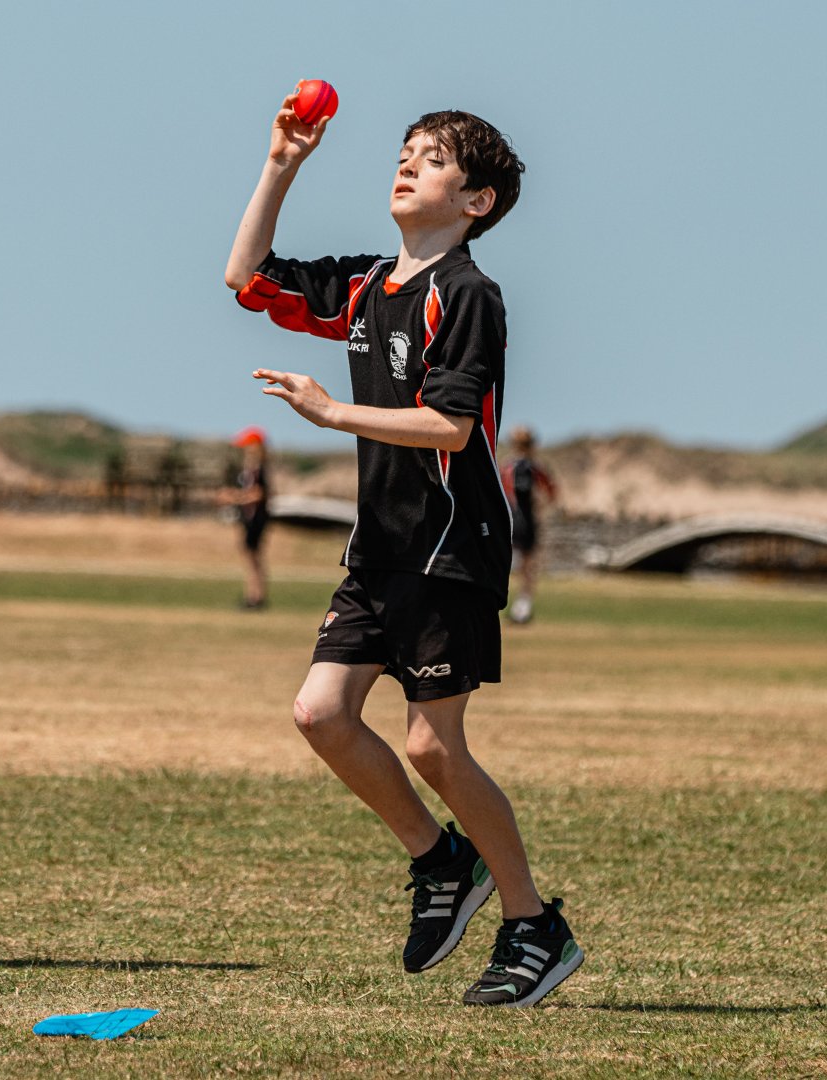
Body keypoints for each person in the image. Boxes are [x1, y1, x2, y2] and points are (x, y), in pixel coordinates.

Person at [225, 89, 582, 1007]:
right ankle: (439, 860)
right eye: (406, 149)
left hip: (450, 548)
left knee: (433, 746)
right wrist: (282, 162)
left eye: (432, 156)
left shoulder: (468, 294)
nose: (408, 160)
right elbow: (246, 275)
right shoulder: (362, 286)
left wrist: (331, 410)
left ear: (477, 203)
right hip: (379, 550)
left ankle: (534, 923)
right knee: (320, 715)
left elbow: (452, 427)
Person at [501, 426, 557, 624]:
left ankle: (507, 605)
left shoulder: (507, 467)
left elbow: (501, 494)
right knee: (528, 568)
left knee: (507, 566)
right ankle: (522, 607)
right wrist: (539, 507)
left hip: (509, 522)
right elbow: (551, 492)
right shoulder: (535, 468)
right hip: (528, 521)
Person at [219, 426, 271, 609]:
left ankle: (257, 597)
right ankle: (252, 595)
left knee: (254, 560)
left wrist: (237, 498)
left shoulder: (260, 469)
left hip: (257, 520)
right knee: (250, 559)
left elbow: (259, 493)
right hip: (248, 520)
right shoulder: (248, 470)